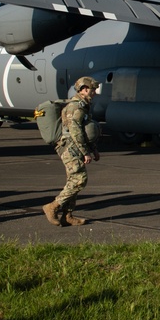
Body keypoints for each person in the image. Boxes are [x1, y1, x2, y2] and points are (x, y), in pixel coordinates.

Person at [43, 76, 101, 227]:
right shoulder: (75, 107)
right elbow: (75, 131)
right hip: (69, 146)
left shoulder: (84, 105)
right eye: (92, 89)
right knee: (79, 179)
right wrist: (85, 152)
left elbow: (87, 130)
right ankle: (53, 206)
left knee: (73, 180)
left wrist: (93, 149)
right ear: (83, 90)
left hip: (75, 146)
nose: (94, 92)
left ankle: (67, 215)